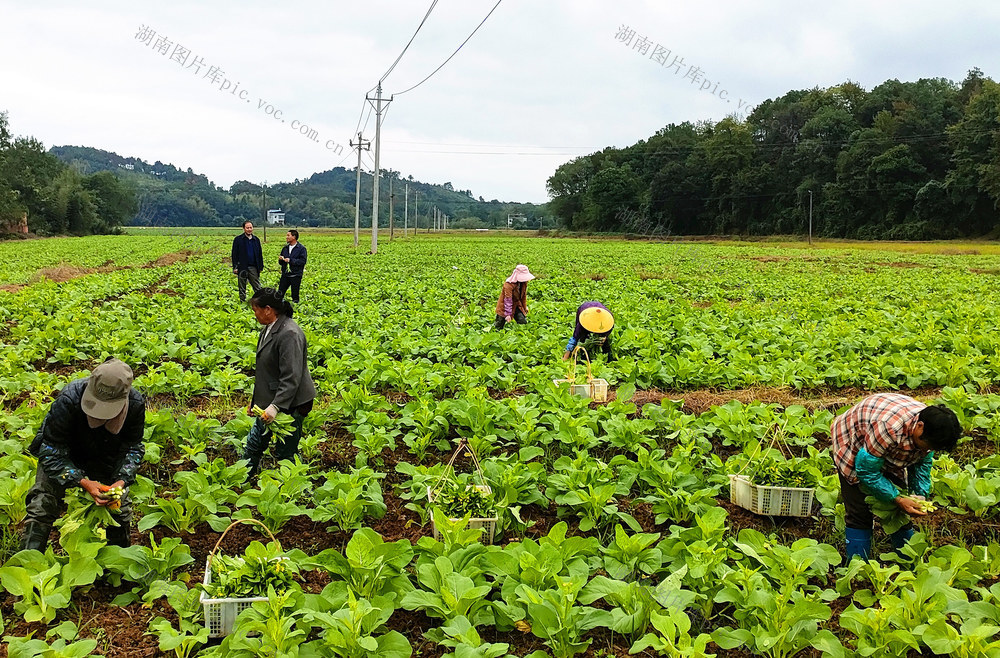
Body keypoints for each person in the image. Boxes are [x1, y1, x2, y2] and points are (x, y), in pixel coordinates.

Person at [20, 358, 145, 551]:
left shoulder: (135, 405)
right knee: (42, 503)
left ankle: (118, 570)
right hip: (65, 453)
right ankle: (28, 566)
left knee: (120, 508)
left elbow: (133, 448)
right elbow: (50, 451)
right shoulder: (69, 399)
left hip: (107, 455)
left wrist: (120, 482)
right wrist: (84, 482)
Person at [831, 393, 961, 561]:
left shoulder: (932, 431)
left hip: (883, 445)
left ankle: (907, 560)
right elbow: (865, 470)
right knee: (859, 510)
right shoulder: (889, 428)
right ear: (919, 426)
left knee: (900, 510)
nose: (928, 450)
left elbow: (922, 463)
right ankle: (857, 567)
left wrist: (918, 495)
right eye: (928, 445)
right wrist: (897, 498)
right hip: (855, 441)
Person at [240, 287, 317, 480]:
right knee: (254, 444)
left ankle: (298, 490)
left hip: (292, 403)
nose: (254, 314)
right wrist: (255, 403)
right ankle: (241, 481)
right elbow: (266, 373)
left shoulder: (289, 333)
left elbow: (291, 377)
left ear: (268, 309)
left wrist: (275, 407)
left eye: (256, 310)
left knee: (286, 452)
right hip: (273, 400)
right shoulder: (269, 329)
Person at [231, 221, 265, 302]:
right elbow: (234, 254)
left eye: (251, 227)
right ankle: (242, 301)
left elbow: (259, 254)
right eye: (247, 228)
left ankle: (260, 302)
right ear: (243, 229)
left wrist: (260, 266)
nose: (249, 229)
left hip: (253, 266)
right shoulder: (238, 240)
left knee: (257, 286)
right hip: (242, 266)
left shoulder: (256, 240)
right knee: (242, 286)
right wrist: (235, 267)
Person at [495, 264, 535, 330]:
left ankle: (522, 336)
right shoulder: (508, 285)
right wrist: (508, 314)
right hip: (504, 307)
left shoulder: (523, 283)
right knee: (499, 325)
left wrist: (524, 307)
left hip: (516, 305)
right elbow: (508, 300)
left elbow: (523, 296)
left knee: (523, 322)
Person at [277, 229, 307, 304]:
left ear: (294, 237)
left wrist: (291, 260)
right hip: (285, 274)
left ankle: (295, 309)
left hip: (296, 274)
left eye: (288, 235)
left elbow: (302, 261)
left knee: (295, 294)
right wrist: (281, 260)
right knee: (279, 294)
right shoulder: (285, 248)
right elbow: (281, 263)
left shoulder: (301, 249)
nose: (286, 237)